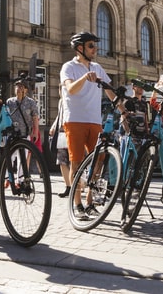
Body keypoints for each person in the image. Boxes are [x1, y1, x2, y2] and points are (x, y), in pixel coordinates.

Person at [60, 31, 115, 218]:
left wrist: (124, 109)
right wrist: (84, 77)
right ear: (80, 48)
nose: (95, 49)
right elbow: (70, 89)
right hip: (75, 119)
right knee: (75, 162)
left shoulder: (98, 68)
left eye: (95, 45)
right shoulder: (68, 67)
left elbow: (110, 92)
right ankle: (77, 204)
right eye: (91, 45)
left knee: (98, 161)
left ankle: (90, 201)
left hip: (94, 120)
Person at [49, 95, 71, 198]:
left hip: (72, 131)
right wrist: (54, 126)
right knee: (62, 161)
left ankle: (77, 185)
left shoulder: (73, 99)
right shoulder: (61, 101)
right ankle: (68, 186)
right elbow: (59, 115)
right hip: (61, 132)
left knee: (73, 161)